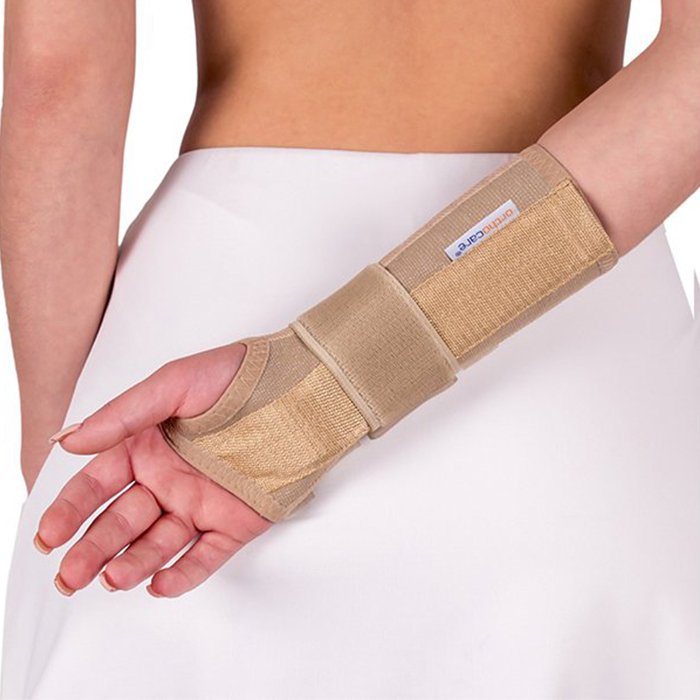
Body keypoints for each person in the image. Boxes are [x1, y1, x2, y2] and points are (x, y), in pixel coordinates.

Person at [1, 1, 698, 697]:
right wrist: (326, 382)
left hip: (197, 365)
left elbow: (58, 80)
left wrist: (62, 446)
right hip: (577, 329)